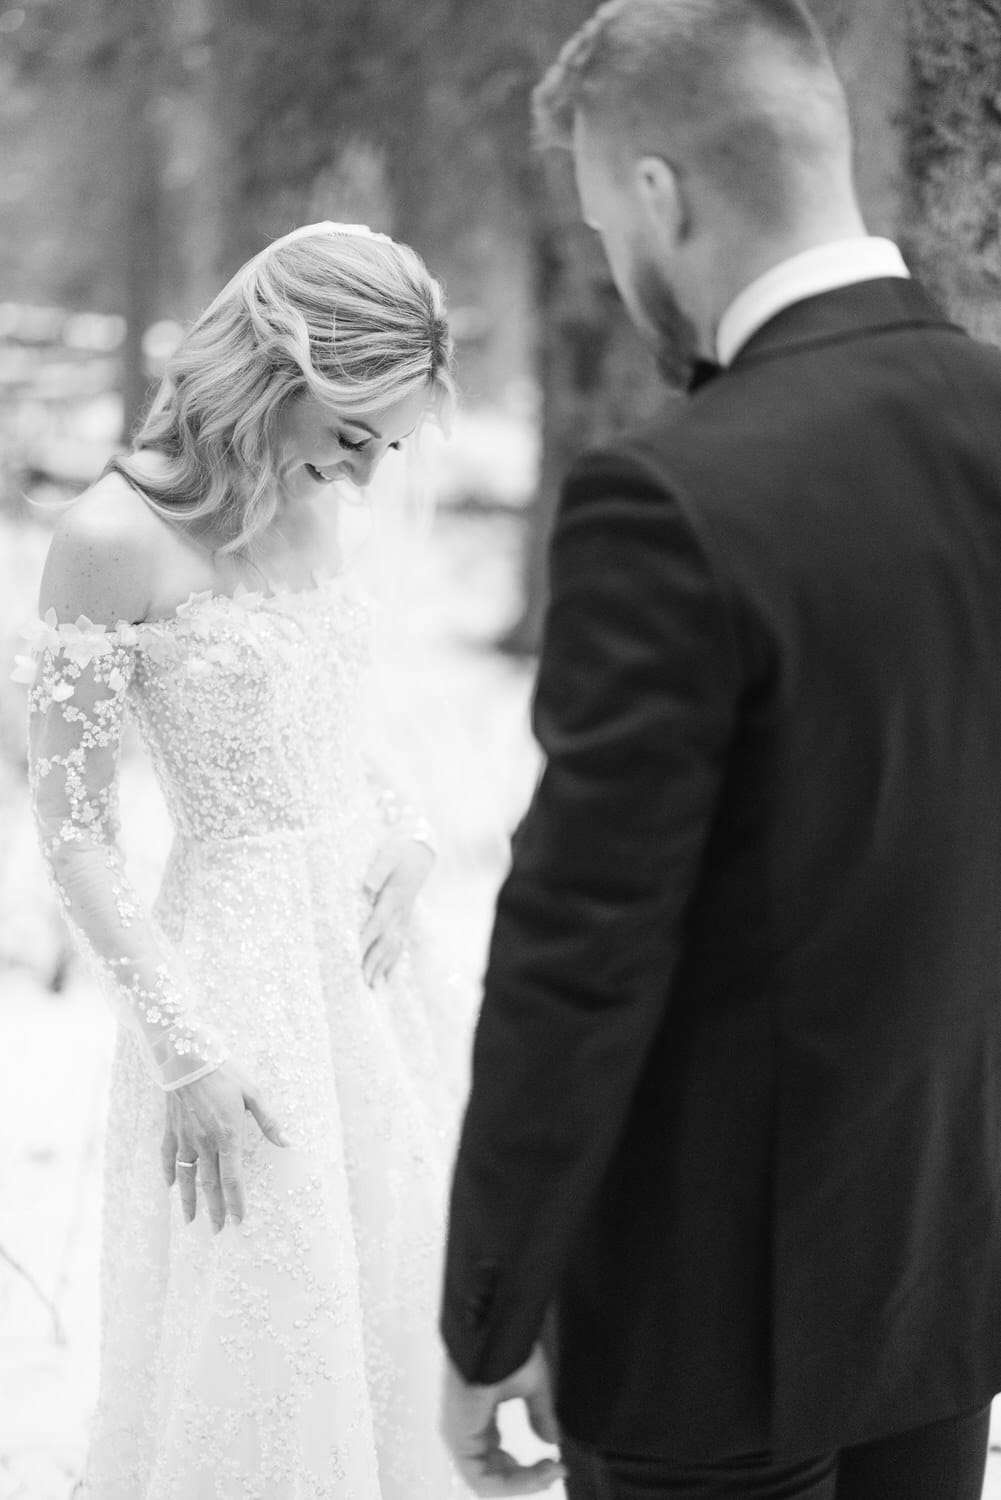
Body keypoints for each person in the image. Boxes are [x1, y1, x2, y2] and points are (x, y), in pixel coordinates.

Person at [439, 2, 1001, 1497]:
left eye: (600, 221)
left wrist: (488, 1314)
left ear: (655, 193)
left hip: (703, 1327)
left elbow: (578, 949)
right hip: (944, 1271)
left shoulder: (669, 500)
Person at [18, 222, 470, 1499]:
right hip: (229, 992)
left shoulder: (321, 503)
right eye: (350, 436)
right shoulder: (110, 540)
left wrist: (414, 835)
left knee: (392, 1299)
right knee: (266, 1325)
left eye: (388, 445)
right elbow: (73, 826)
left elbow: (336, 734)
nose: (367, 476)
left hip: (377, 984)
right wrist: (185, 1048)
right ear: (278, 375)